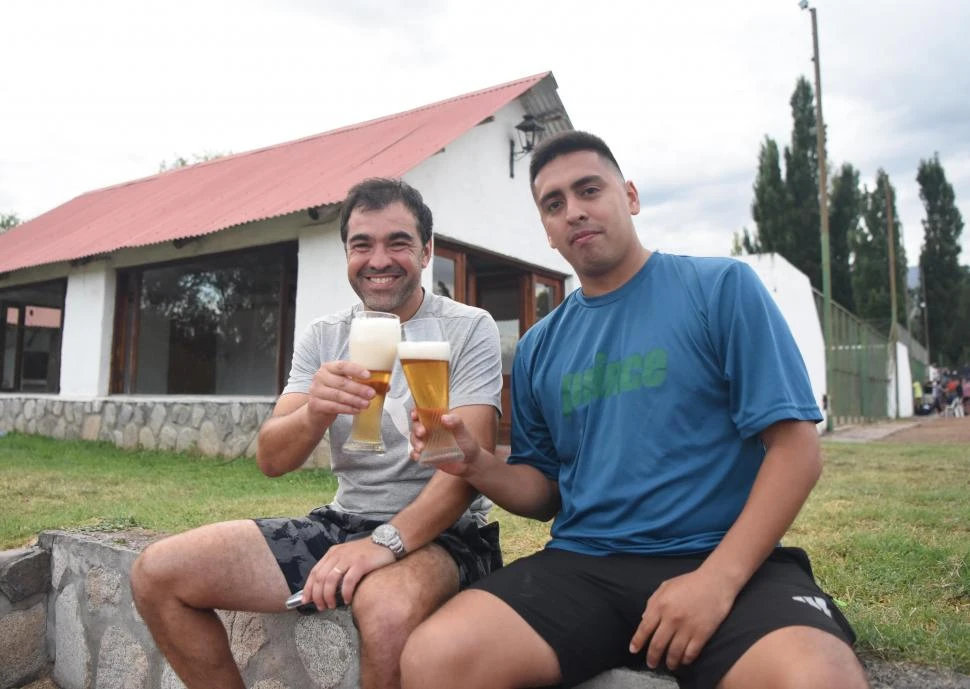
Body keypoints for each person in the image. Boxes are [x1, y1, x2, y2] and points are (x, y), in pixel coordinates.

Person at [400, 132, 869, 689]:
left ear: (630, 197)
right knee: (435, 659)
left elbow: (797, 449)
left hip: (723, 558)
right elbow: (544, 490)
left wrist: (716, 582)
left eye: (589, 190)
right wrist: (478, 464)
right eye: (554, 204)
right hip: (582, 566)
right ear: (547, 232)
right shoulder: (538, 347)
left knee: (820, 679)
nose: (574, 211)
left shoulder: (720, 288)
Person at [130, 178, 504, 689]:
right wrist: (313, 415)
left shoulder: (468, 327)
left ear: (427, 250)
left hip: (452, 534)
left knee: (386, 609)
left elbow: (467, 472)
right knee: (158, 574)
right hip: (344, 522)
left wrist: (384, 542)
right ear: (346, 253)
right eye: (361, 244)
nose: (379, 259)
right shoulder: (325, 335)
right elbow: (271, 458)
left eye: (398, 242)